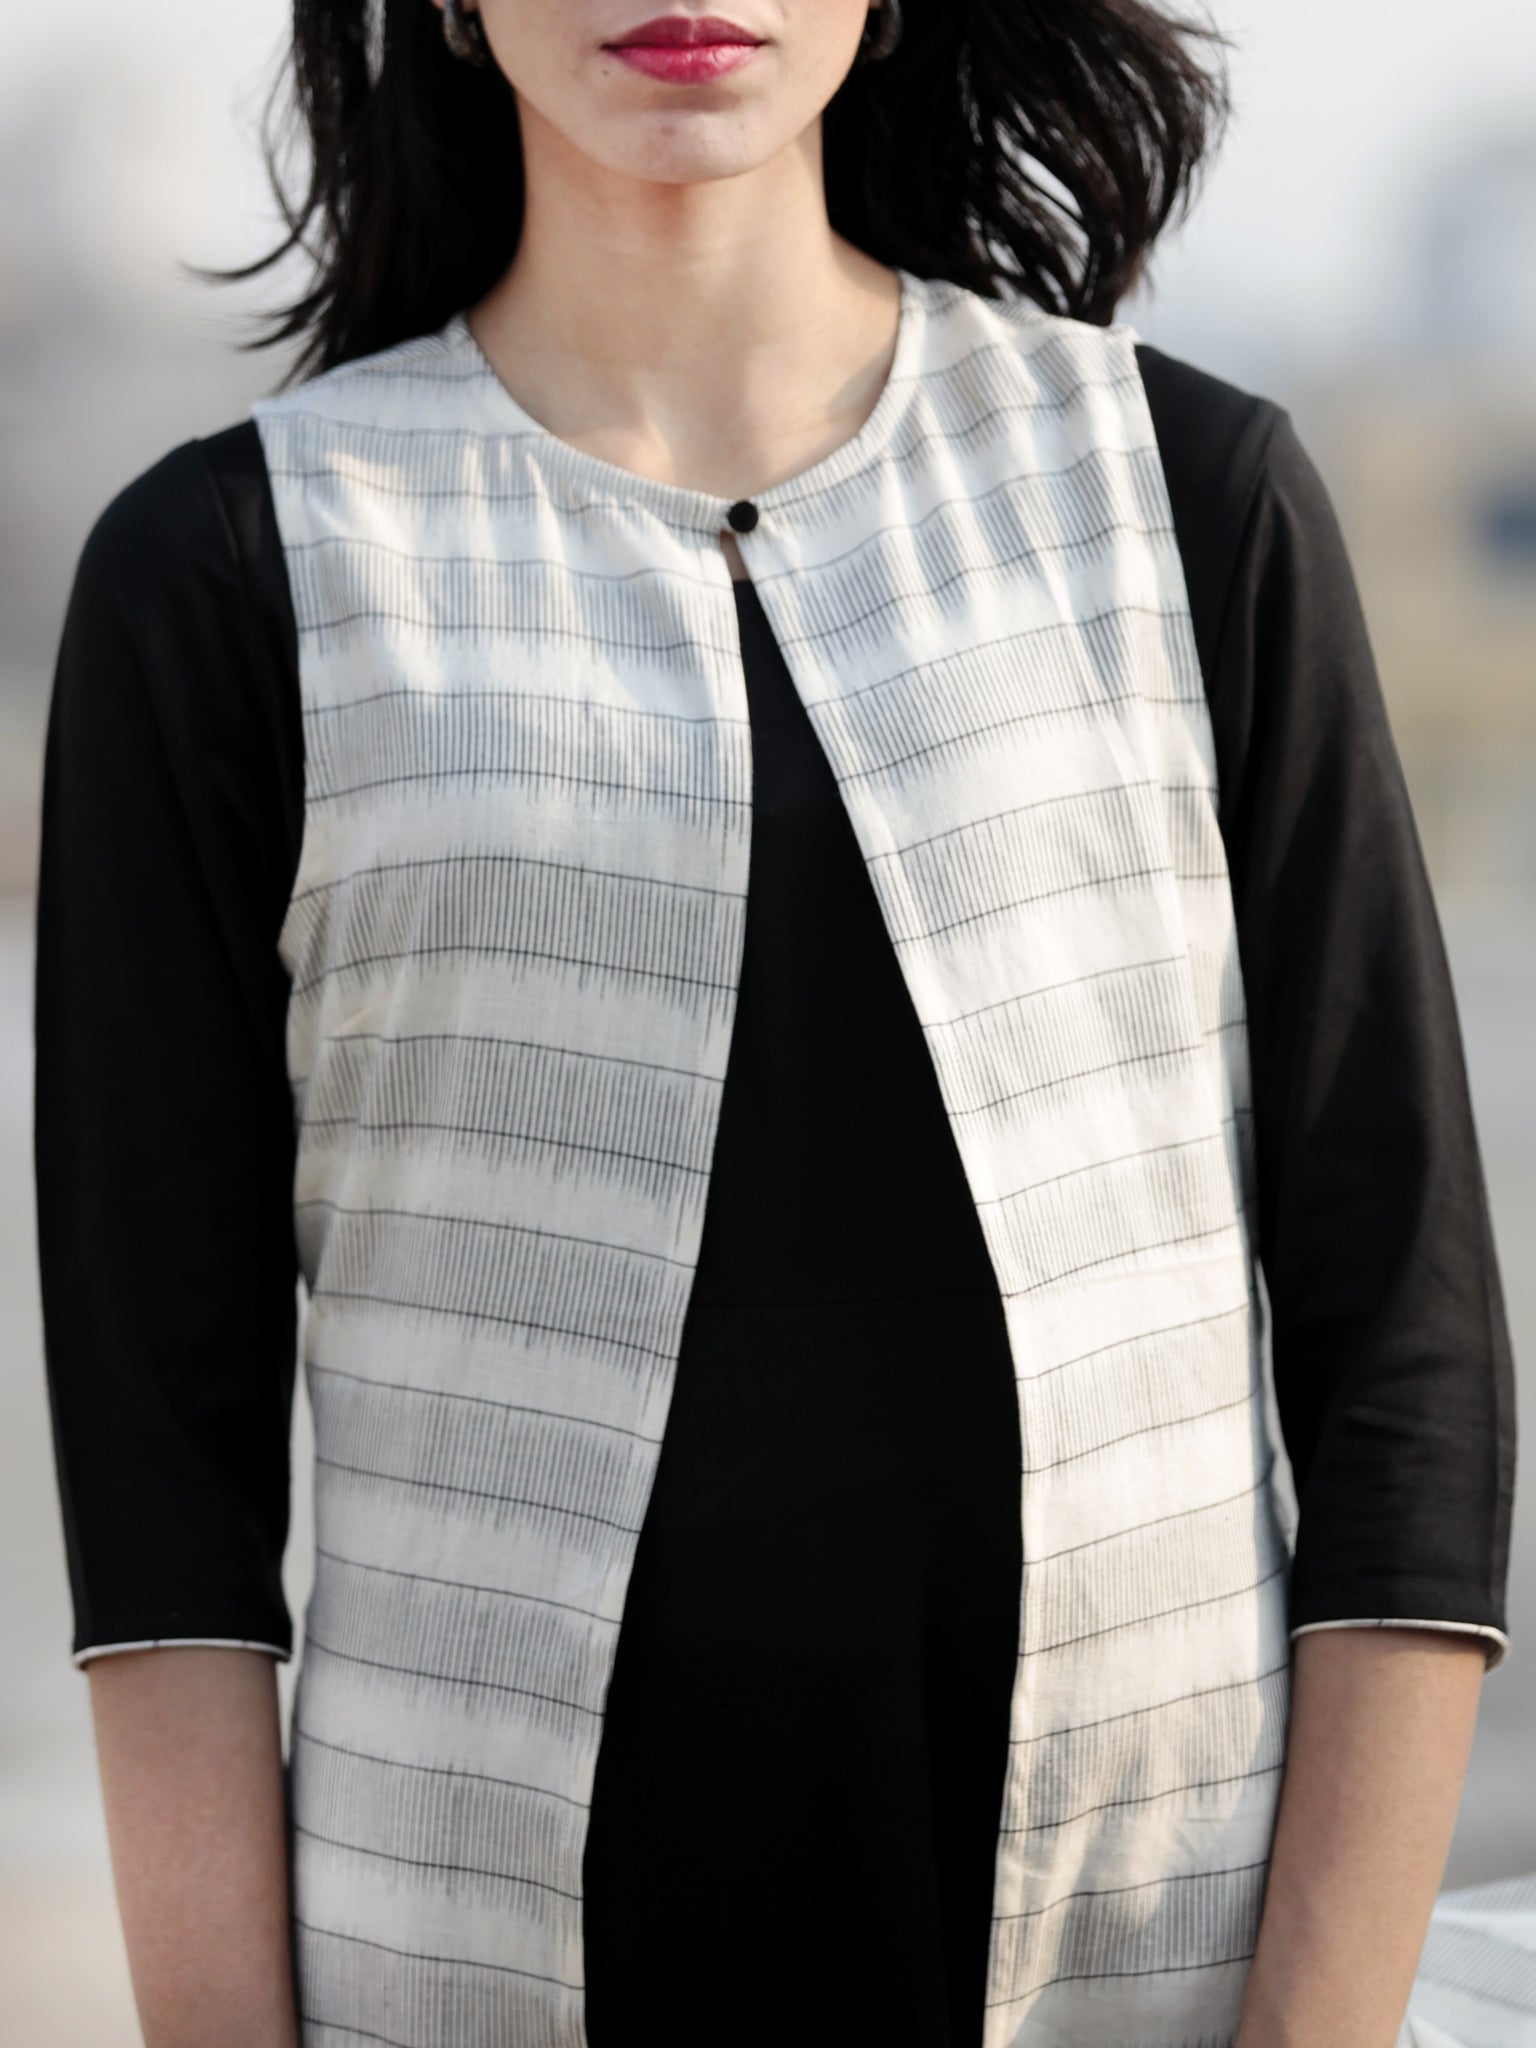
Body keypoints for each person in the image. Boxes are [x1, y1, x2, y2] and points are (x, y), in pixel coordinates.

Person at [33, 3, 1515, 2046]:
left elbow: (1407, 1362)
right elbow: (161, 1486)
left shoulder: (1188, 501)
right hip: (470, 1974)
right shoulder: (230, 579)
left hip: (1141, 1970)